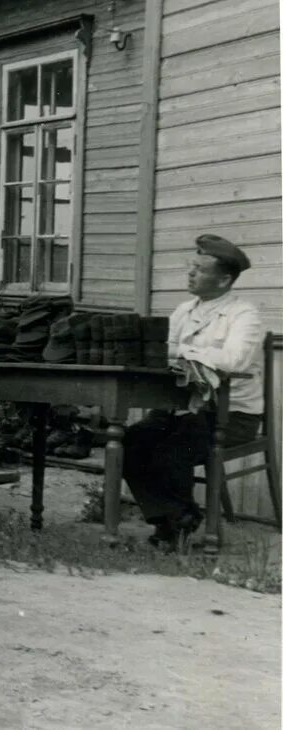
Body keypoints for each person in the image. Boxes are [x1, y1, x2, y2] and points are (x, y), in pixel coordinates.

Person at [123, 235, 264, 549]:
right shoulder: (184, 311)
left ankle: (173, 529)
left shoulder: (244, 315)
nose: (190, 274)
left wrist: (184, 353)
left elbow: (233, 360)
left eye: (199, 269)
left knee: (171, 451)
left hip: (231, 415)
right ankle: (177, 518)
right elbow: (164, 356)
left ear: (225, 279)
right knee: (129, 442)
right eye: (191, 267)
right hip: (181, 408)